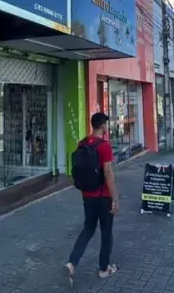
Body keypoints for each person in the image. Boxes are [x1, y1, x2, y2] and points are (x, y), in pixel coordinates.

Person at [66, 112, 119, 285]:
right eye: (106, 125)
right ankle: (104, 269)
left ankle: (72, 262)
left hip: (86, 196)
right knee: (106, 232)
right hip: (103, 196)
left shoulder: (83, 143)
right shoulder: (104, 146)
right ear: (103, 126)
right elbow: (108, 173)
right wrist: (115, 198)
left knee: (88, 229)